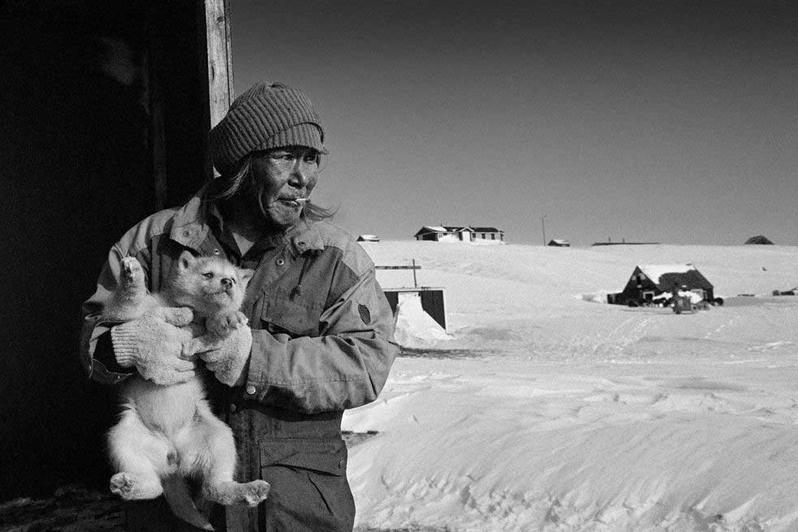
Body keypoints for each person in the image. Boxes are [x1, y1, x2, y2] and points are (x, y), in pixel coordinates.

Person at [79, 81, 399, 531]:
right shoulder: (153, 243)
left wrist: (253, 358)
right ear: (241, 165)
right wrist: (123, 346)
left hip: (295, 511)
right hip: (172, 511)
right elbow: (92, 344)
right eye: (285, 156)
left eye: (311, 158)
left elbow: (367, 363)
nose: (303, 177)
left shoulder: (336, 259)